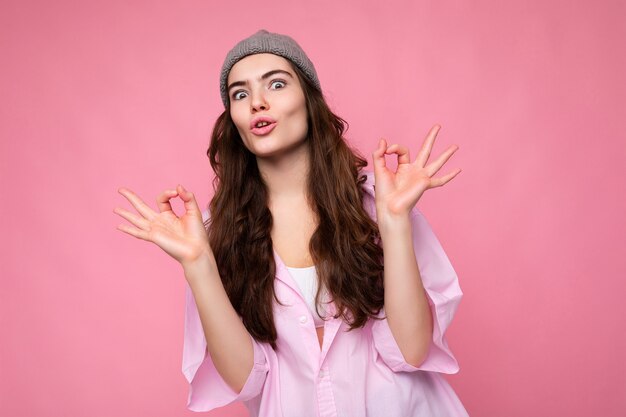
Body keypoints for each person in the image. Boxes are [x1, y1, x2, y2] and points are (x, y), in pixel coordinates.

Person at [114, 29, 468, 417]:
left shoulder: (378, 200)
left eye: (277, 84)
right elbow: (246, 380)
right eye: (240, 94)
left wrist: (396, 222)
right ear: (233, 119)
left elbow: (411, 352)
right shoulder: (217, 231)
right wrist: (199, 264)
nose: (257, 103)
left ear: (309, 99)